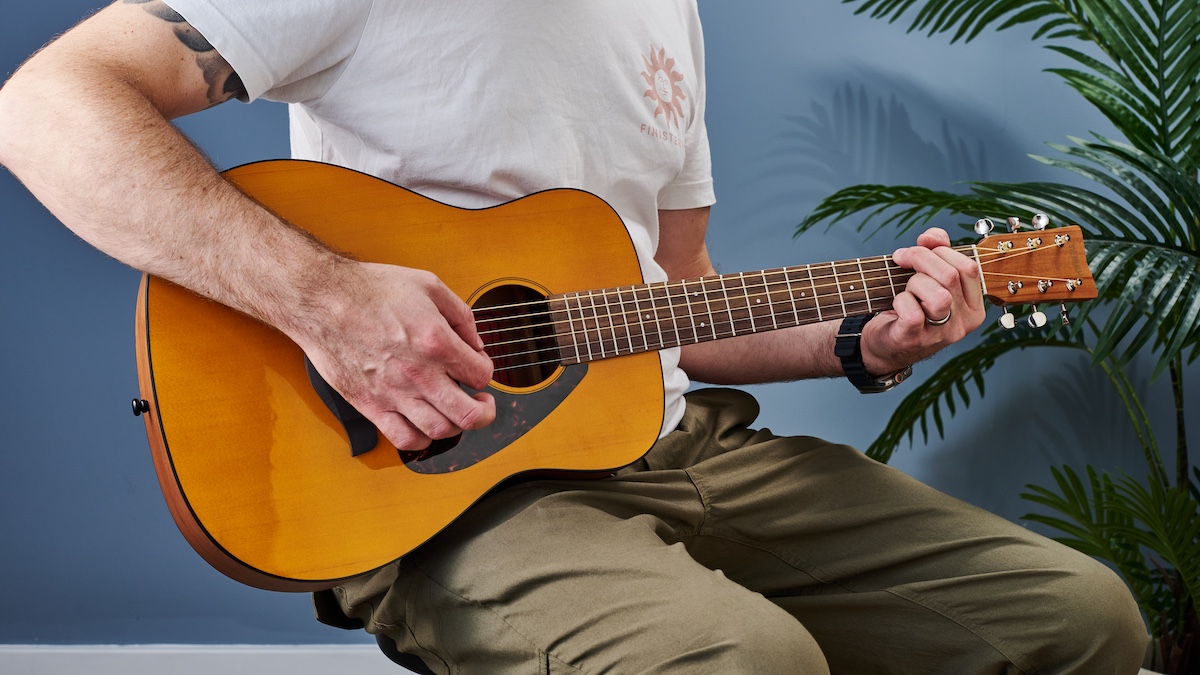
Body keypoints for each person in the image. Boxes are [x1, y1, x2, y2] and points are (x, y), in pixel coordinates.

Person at [0, 1, 1149, 673]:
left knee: (1082, 621)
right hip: (445, 482)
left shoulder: (666, 13)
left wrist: (870, 342)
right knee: (747, 665)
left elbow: (679, 295)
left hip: (678, 445)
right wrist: (330, 303)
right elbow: (41, 106)